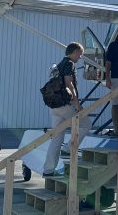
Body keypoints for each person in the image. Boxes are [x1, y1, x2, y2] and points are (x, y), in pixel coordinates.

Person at [42, 42, 91, 176]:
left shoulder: (59, 64)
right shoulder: (69, 64)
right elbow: (69, 83)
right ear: (74, 52)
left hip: (55, 106)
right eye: (79, 54)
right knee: (86, 124)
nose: (80, 57)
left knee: (57, 138)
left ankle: (48, 170)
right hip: (65, 105)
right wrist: (76, 103)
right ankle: (68, 148)